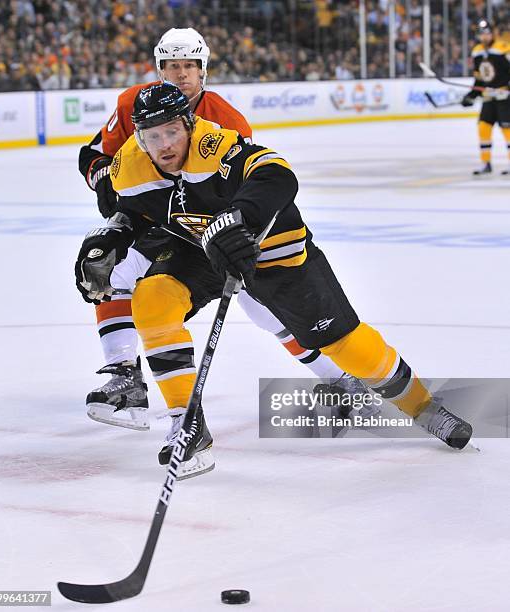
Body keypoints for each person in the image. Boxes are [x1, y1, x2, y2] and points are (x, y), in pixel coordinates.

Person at [74, 83, 473, 479]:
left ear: (190, 124)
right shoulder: (130, 164)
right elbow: (135, 212)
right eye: (152, 135)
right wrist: (112, 237)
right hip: (200, 250)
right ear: (140, 137)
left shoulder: (215, 147)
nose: (164, 144)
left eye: (172, 131)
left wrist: (240, 218)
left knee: (343, 344)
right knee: (152, 299)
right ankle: (188, 423)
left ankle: (423, 406)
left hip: (273, 248)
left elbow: (277, 175)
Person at [78, 27, 362, 432]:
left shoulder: (226, 120)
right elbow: (94, 155)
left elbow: (248, 189)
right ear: (159, 69)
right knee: (110, 271)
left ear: (203, 70)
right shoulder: (133, 104)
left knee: (268, 313)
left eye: (189, 66)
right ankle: (125, 378)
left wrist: (234, 234)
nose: (181, 74)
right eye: (172, 66)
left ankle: (340, 378)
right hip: (161, 221)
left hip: (213, 231)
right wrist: (104, 180)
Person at [461, 19, 510, 176]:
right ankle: (486, 163)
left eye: (487, 33)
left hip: (504, 97)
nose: (484, 37)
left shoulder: (503, 48)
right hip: (488, 97)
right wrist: (472, 95)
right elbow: (479, 78)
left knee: (507, 130)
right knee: (483, 128)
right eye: (481, 34)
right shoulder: (477, 52)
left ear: (492, 33)